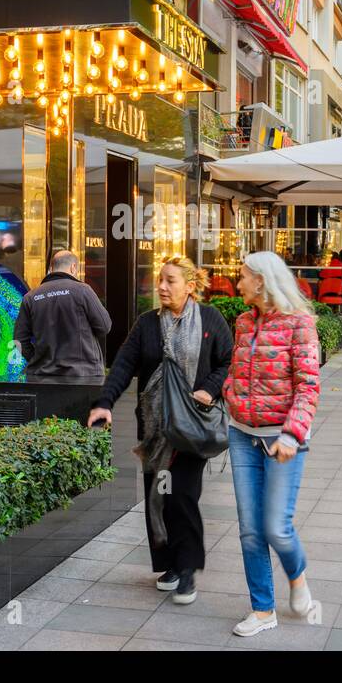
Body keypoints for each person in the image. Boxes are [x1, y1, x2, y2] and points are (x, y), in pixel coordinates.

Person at [87, 257, 234, 606]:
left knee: (182, 496)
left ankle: (187, 570)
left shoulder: (211, 320)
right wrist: (104, 401)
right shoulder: (147, 324)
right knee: (159, 498)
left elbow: (230, 361)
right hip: (155, 431)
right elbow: (124, 363)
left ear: (189, 285)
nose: (162, 287)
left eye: (170, 281)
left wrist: (210, 388)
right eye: (160, 280)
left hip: (192, 430)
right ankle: (168, 563)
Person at [224, 251, 321, 637]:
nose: (238, 283)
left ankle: (297, 576)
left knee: (276, 527)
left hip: (282, 438)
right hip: (241, 434)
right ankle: (263, 609)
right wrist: (230, 395)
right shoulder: (244, 322)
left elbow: (308, 385)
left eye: (243, 277)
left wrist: (291, 434)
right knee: (250, 530)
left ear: (261, 281)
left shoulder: (300, 324)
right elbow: (235, 370)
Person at [13, 250, 111, 378]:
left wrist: (37, 360)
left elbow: (19, 339)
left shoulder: (30, 297)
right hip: (83, 375)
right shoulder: (83, 290)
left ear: (52, 268)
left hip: (43, 376)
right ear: (73, 267)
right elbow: (105, 326)